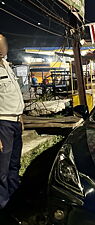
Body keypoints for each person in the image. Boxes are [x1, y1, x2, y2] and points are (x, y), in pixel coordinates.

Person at [0, 34, 25, 209]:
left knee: (14, 165)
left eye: (3, 44)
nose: (3, 47)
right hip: (3, 125)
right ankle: (3, 205)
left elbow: (14, 95)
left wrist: (20, 118)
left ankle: (15, 200)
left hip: (15, 122)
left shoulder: (7, 66)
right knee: (2, 169)